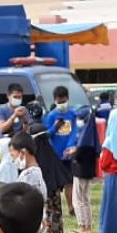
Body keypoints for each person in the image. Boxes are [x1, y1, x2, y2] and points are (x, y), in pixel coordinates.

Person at [31, 125, 74, 233]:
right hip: (54, 200)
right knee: (56, 229)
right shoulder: (50, 155)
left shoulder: (37, 161)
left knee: (47, 229)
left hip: (44, 204)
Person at [44, 86, 79, 216]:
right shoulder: (51, 115)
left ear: (67, 99)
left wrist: (70, 146)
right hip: (55, 154)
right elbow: (47, 134)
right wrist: (55, 127)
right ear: (54, 101)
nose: (61, 104)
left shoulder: (72, 114)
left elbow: (74, 132)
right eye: (59, 102)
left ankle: (71, 206)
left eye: (63, 101)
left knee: (70, 181)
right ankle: (56, 206)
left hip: (68, 155)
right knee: (56, 184)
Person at [9, 132, 47, 233]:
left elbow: (26, 206)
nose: (12, 160)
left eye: (13, 155)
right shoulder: (36, 172)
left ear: (23, 152)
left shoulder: (30, 175)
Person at [71, 101, 101, 233]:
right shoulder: (92, 135)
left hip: (81, 171)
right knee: (85, 198)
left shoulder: (85, 138)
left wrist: (72, 153)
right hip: (88, 170)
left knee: (79, 199)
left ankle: (84, 226)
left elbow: (79, 154)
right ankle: (87, 225)